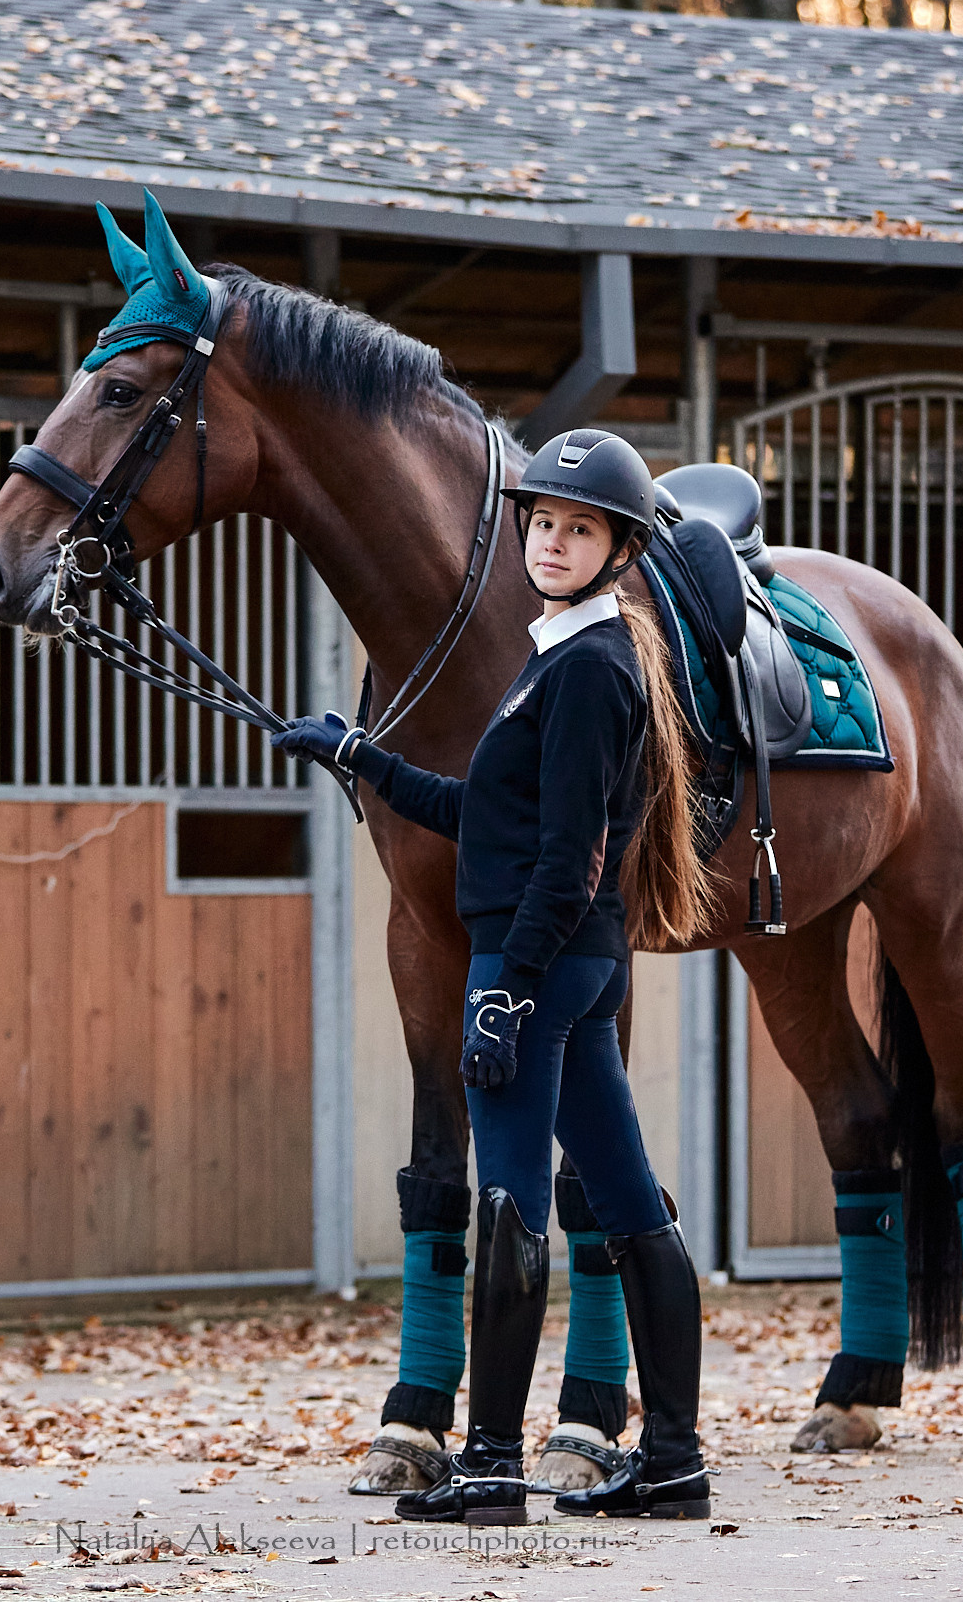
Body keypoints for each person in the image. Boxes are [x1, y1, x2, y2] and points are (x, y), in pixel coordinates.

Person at [273, 430, 718, 1526]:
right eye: (543, 524)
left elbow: (570, 862)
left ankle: (484, 1469)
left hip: (537, 964)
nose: (553, 540)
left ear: (620, 549)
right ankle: (670, 1463)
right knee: (626, 1202)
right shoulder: (565, 651)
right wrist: (360, 756)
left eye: (579, 528)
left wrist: (506, 990)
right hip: (574, 967)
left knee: (513, 1203)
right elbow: (492, 818)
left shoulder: (588, 669)